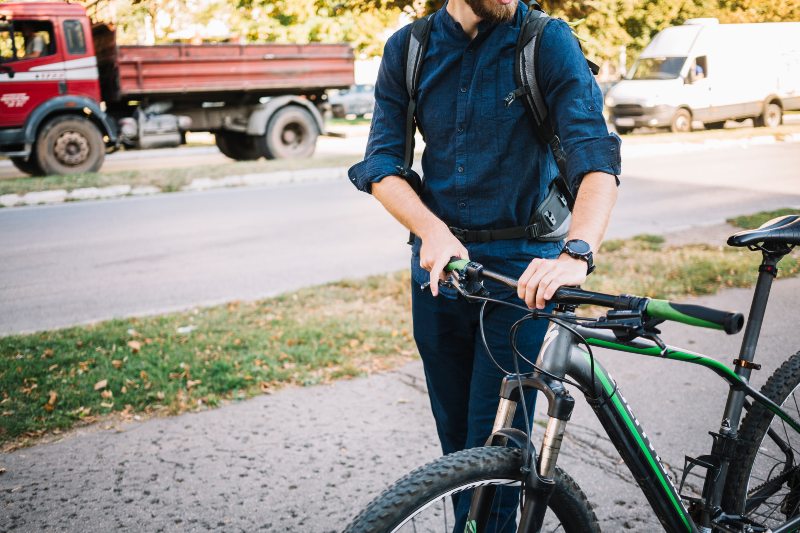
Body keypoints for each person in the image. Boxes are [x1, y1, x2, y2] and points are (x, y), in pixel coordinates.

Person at [348, 0, 621, 529]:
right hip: (440, 272)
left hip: (522, 276)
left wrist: (577, 252)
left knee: (496, 449)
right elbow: (382, 162)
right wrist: (431, 231)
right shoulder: (409, 49)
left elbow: (596, 156)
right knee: (458, 451)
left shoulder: (545, 40)